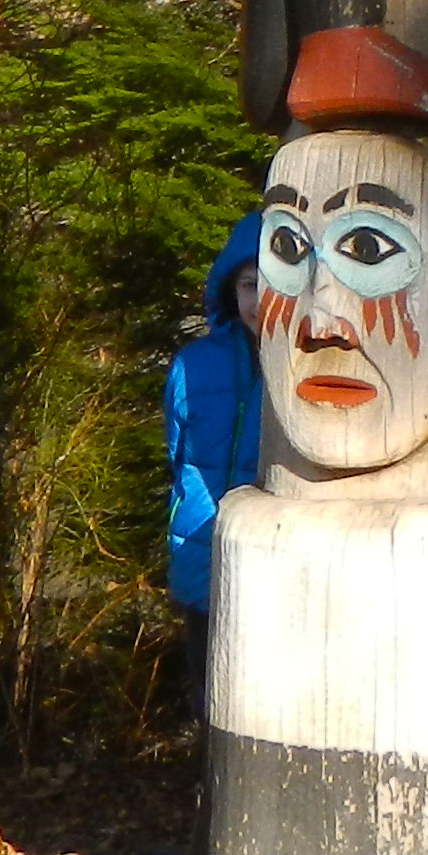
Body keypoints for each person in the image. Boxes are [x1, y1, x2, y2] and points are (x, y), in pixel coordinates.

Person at [163, 211, 264, 692]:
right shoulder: (192, 365)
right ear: (230, 289)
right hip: (201, 556)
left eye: (273, 282)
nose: (261, 301)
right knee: (208, 693)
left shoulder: (316, 363)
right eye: (249, 284)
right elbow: (178, 458)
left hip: (274, 560)